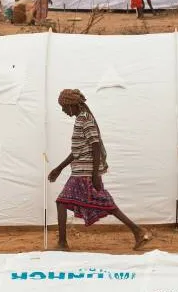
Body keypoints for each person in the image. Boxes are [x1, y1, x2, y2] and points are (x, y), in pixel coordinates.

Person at [48, 89, 152, 251]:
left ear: (72, 105)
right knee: (103, 203)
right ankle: (137, 231)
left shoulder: (85, 120)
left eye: (64, 107)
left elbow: (95, 146)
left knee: (63, 202)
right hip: (82, 171)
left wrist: (95, 174)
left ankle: (62, 243)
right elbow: (78, 150)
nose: (63, 110)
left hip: (85, 173)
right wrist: (59, 168)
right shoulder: (81, 119)